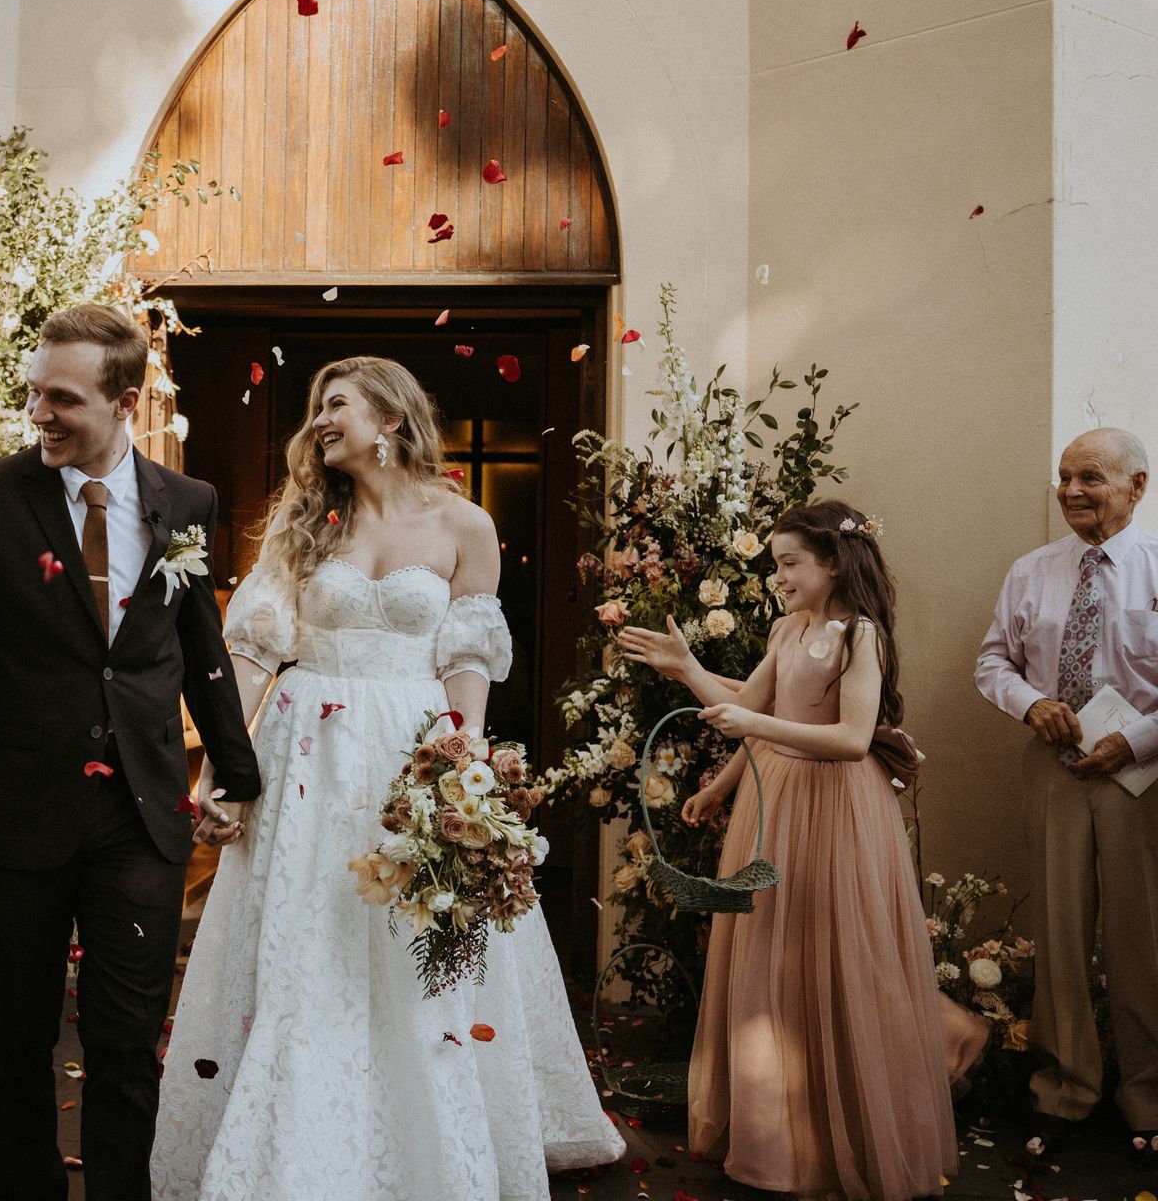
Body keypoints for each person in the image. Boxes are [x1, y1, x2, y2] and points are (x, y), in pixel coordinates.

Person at [151, 356, 623, 1199]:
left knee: (415, 940)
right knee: (310, 938)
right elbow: (254, 648)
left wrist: (466, 756)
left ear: (392, 421)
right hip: (306, 754)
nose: (319, 420)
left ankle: (424, 1141)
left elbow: (469, 650)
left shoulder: (463, 526)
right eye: (316, 407)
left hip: (410, 747)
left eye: (336, 405)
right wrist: (227, 762)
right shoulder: (306, 522)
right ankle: (298, 1140)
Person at [0, 303, 261, 1201]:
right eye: (32, 395)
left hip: (141, 815)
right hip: (16, 809)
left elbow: (201, 652)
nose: (38, 414)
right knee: (17, 1039)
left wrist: (237, 775)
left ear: (125, 401)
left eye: (62, 399)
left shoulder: (184, 505)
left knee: (127, 1041)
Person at [620, 501, 981, 1200]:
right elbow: (750, 708)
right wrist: (689, 673)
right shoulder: (789, 628)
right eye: (775, 563)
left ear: (834, 563)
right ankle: (788, 1133)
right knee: (778, 965)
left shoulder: (860, 635)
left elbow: (850, 737)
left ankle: (924, 1053)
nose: (777, 576)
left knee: (839, 954)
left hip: (836, 807)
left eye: (789, 563)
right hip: (775, 796)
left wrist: (754, 721)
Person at [974, 427, 1158, 1161]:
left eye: (1091, 477)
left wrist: (1137, 740)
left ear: (1137, 486)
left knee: (1141, 937)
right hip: (1053, 768)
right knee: (1059, 933)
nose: (1072, 491)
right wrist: (1028, 704)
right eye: (1063, 477)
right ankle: (1066, 1090)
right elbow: (993, 660)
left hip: (1139, 777)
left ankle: (1147, 1096)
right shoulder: (1032, 571)